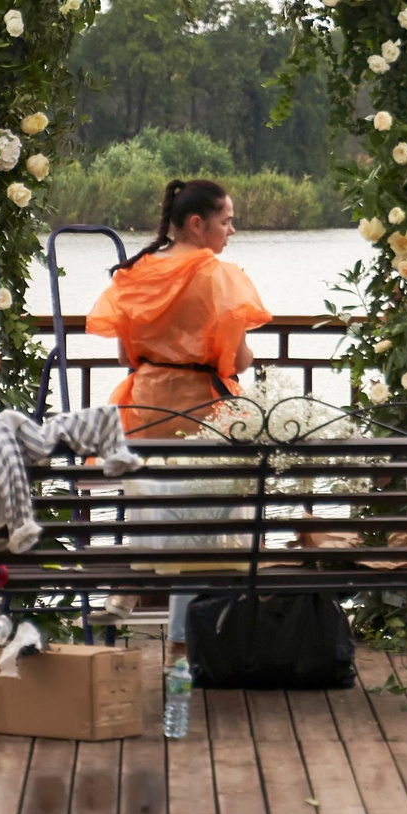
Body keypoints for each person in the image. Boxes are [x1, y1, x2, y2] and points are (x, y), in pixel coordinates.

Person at [86, 178, 269, 658]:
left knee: (156, 515)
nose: (231, 231)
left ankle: (134, 578)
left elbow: (127, 355)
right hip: (201, 411)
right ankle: (182, 644)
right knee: (203, 536)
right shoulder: (215, 275)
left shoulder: (134, 271)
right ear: (197, 223)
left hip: (144, 407)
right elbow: (240, 361)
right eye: (226, 221)